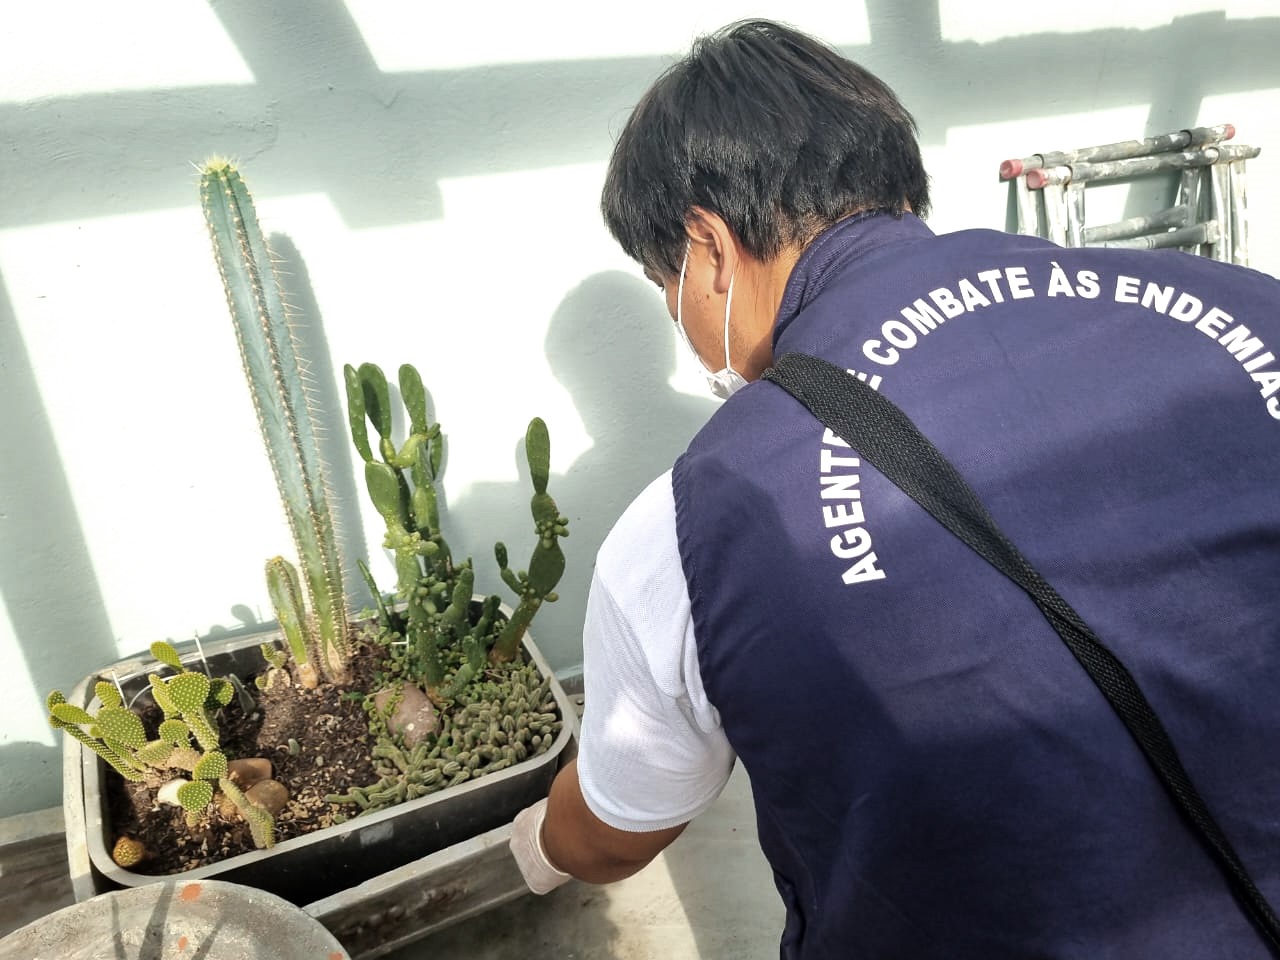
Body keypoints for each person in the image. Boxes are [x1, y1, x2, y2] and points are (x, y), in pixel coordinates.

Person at [509, 18, 1280, 959]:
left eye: (666, 286)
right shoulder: (1253, 305)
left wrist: (536, 847)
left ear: (707, 247)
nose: (681, 318)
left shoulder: (701, 517)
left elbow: (616, 828)